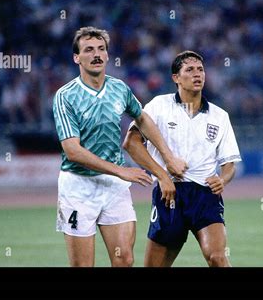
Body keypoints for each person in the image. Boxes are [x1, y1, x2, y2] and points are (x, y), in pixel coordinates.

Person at [52, 27, 186, 267]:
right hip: (78, 186)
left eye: (101, 49)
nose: (96, 54)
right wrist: (120, 170)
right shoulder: (65, 96)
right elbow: (72, 150)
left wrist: (168, 157)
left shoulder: (119, 88)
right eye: (89, 50)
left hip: (114, 187)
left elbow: (142, 118)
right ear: (76, 58)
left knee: (124, 258)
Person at [123, 50, 242, 267]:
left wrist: (222, 180)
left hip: (205, 196)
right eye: (190, 70)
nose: (198, 74)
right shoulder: (159, 106)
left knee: (217, 257)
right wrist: (162, 176)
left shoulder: (220, 116)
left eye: (201, 70)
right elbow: (131, 144)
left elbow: (229, 164)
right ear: (176, 78)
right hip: (169, 194)